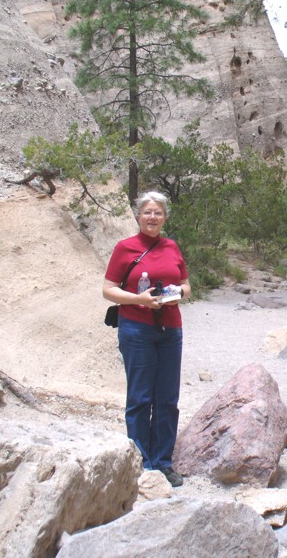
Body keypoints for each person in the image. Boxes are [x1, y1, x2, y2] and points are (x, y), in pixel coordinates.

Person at [103, 191, 191, 487]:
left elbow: (186, 286)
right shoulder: (125, 248)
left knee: (167, 398)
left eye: (158, 212)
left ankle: (163, 462)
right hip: (136, 327)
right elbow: (109, 289)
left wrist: (174, 296)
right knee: (140, 397)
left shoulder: (171, 246)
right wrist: (138, 299)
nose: (153, 217)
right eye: (148, 212)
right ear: (138, 216)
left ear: (165, 217)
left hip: (169, 328)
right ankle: (140, 462)